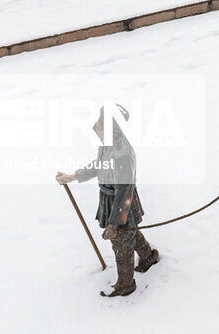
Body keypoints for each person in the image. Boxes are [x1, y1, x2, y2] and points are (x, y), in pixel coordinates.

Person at [56, 103, 159, 297]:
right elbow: (99, 165)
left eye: (100, 125)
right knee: (130, 233)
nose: (94, 126)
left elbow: (124, 192)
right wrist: (74, 176)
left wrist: (113, 223)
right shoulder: (108, 144)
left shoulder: (122, 155)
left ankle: (125, 285)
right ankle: (149, 257)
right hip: (111, 200)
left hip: (121, 204)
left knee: (121, 242)